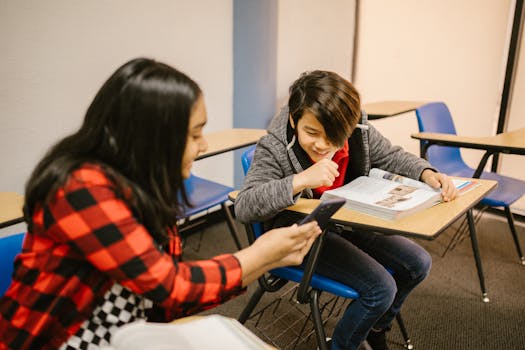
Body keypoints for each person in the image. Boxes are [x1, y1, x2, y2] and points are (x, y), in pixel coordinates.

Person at [0, 58, 321, 350]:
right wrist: (259, 255)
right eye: (194, 134)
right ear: (151, 137)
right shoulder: (80, 189)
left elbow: (165, 299)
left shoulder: (140, 189)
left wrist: (268, 258)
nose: (203, 145)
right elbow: (171, 286)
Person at [234, 70, 458, 350]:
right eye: (312, 133)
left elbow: (388, 154)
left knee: (417, 264)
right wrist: (300, 180)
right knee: (380, 289)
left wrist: (425, 172)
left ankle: (376, 327)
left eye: (335, 137)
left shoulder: (357, 126)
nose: (323, 145)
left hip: (346, 218)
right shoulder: (275, 146)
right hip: (300, 233)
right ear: (293, 119)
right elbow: (244, 206)